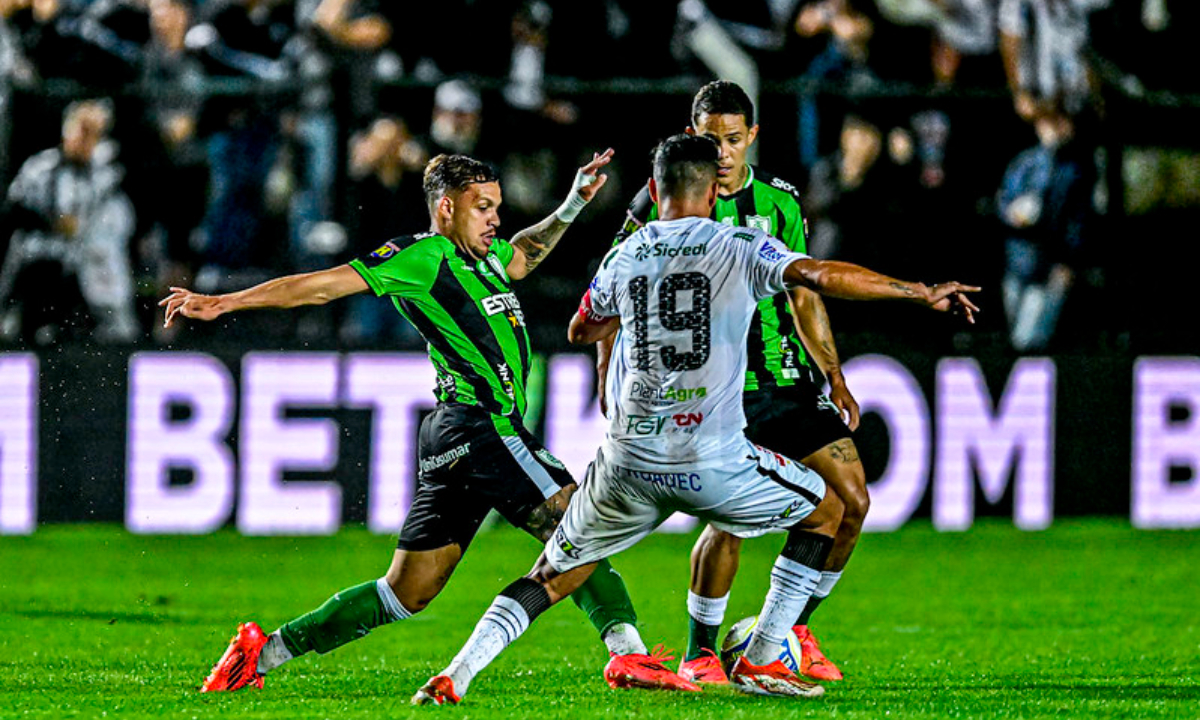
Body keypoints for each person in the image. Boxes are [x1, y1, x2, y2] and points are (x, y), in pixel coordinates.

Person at [413, 133, 978, 704]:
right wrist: (917, 292)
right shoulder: (738, 244)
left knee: (550, 574)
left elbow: (582, 328)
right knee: (828, 510)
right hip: (710, 458)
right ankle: (761, 658)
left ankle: (455, 675)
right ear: (713, 193)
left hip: (626, 462)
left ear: (654, 190)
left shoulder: (624, 255)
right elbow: (820, 276)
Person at [163, 150, 694, 694]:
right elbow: (323, 285)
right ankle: (629, 654)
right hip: (481, 425)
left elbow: (524, 255)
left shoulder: (484, 259)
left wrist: (572, 204)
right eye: (482, 207)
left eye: (497, 207)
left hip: (455, 435)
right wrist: (224, 303)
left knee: (406, 592)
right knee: (582, 526)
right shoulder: (426, 256)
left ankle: (262, 652)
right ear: (446, 208)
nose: (495, 219)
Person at [598, 79, 864, 684]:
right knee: (731, 517)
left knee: (852, 501)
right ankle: (702, 651)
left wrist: (833, 372)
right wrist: (607, 381)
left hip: (783, 376)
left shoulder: (781, 202)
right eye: (710, 138)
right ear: (692, 136)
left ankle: (785, 632)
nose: (721, 151)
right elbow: (612, 298)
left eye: (734, 138)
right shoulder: (664, 201)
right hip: (715, 385)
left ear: (753, 137)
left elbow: (805, 291)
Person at [0, 99, 139, 344]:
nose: (85, 140)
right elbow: (12, 212)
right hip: (39, 266)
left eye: (93, 133)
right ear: (67, 129)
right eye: (81, 130)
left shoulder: (108, 176)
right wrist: (51, 223)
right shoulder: (40, 168)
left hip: (86, 269)